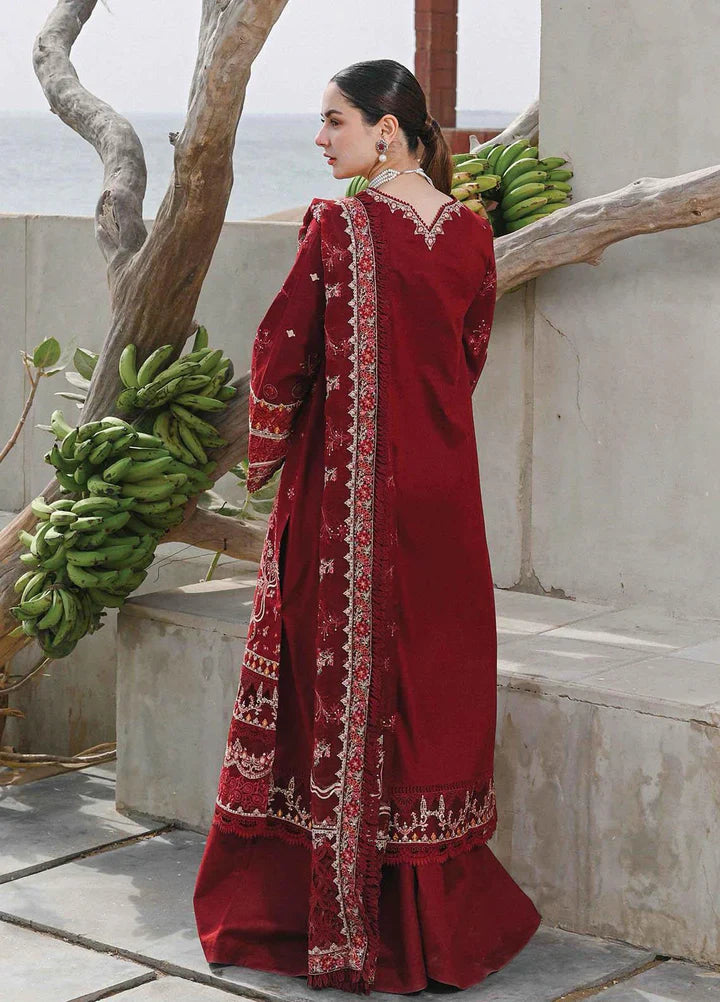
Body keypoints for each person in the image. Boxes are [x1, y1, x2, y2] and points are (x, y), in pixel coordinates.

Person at [193, 59, 541, 995]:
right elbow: (466, 358)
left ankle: (326, 918)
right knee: (431, 685)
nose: (321, 139)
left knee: (329, 687)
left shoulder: (337, 226)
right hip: (444, 499)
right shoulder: (473, 232)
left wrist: (273, 452)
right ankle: (436, 927)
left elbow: (280, 354)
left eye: (334, 120)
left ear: (387, 129)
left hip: (344, 500)